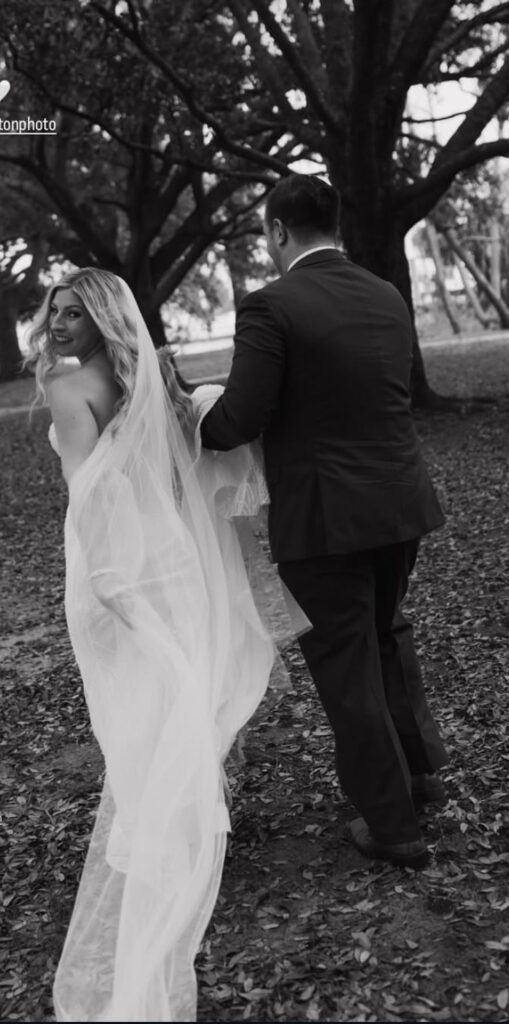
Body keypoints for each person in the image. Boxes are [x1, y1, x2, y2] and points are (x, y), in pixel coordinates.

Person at [26, 267, 305, 1022]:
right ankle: (173, 821)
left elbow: (89, 493)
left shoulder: (66, 384)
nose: (58, 325)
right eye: (54, 311)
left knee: (131, 707)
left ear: (104, 318)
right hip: (170, 555)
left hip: (113, 562)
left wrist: (108, 585)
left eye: (75, 313)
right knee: (166, 697)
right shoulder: (143, 377)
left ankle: (153, 836)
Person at [200, 173, 448, 870]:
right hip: (399, 503)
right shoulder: (385, 294)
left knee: (347, 665)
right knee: (385, 634)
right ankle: (421, 773)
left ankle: (392, 824)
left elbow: (238, 420)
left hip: (324, 516)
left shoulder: (269, 306)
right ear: (331, 224)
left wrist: (189, 408)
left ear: (277, 231)